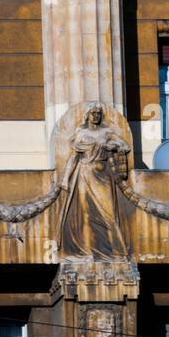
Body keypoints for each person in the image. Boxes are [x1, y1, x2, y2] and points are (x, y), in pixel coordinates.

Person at [58, 104, 131, 259]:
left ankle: (116, 251)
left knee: (108, 212)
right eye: (93, 113)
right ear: (87, 115)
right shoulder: (81, 133)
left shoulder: (107, 132)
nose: (96, 116)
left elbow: (125, 145)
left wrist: (114, 145)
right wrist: (65, 179)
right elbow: (73, 158)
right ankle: (88, 250)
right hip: (84, 174)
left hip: (103, 174)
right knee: (86, 213)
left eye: (98, 113)